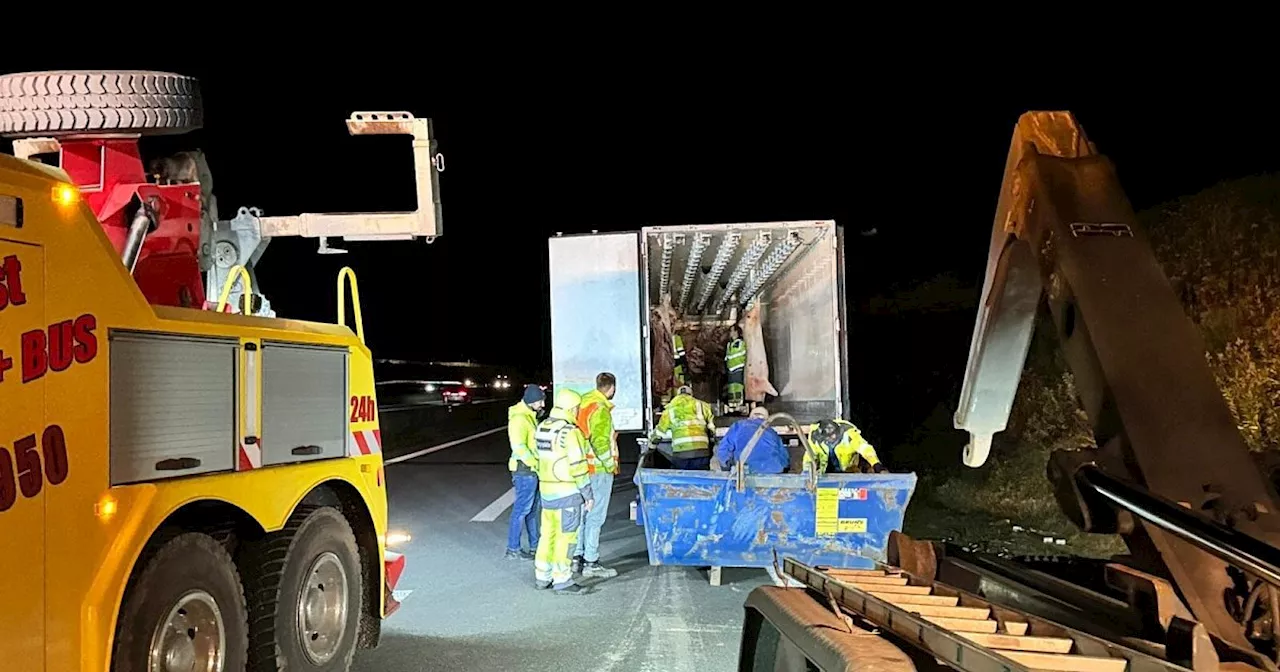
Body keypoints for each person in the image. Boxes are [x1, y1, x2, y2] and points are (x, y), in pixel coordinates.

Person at [533, 388, 596, 594]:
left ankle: (543, 575)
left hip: (547, 492)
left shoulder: (542, 427)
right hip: (567, 493)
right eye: (577, 408)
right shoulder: (570, 432)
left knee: (547, 535)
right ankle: (563, 579)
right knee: (567, 538)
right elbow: (578, 465)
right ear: (572, 408)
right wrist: (587, 494)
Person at [572, 372, 620, 578]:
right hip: (598, 469)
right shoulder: (600, 409)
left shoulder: (583, 404)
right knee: (595, 517)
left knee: (582, 514)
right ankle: (591, 562)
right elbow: (600, 442)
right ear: (611, 388)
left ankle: (577, 558)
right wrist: (610, 465)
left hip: (583, 468)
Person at [504, 385, 544, 560]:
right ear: (532, 401)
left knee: (532, 510)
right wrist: (536, 463)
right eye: (541, 401)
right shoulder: (519, 419)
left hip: (532, 470)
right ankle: (513, 549)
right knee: (521, 510)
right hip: (524, 470)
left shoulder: (529, 416)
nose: (543, 404)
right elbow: (519, 447)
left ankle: (536, 546)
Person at [650, 385, 716, 469]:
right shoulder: (703, 406)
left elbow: (659, 433)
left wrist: (651, 446)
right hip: (701, 451)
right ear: (691, 394)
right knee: (700, 478)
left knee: (682, 478)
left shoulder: (670, 409)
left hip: (681, 453)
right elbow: (712, 428)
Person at [714, 406, 789, 474]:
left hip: (745, 472)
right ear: (767, 420)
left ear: (750, 417)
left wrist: (727, 467)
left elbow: (723, 449)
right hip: (772, 473)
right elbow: (784, 459)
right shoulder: (772, 433)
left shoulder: (739, 426)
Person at [803, 418, 886, 474]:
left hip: (849, 472)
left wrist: (876, 464)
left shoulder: (849, 435)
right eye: (830, 435)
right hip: (825, 474)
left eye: (835, 433)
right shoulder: (815, 439)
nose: (834, 437)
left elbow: (865, 448)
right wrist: (806, 473)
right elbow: (809, 456)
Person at [724, 325, 746, 409]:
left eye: (732, 331)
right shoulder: (729, 344)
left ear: (736, 332)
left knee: (738, 386)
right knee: (731, 386)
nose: (730, 333)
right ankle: (732, 402)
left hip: (738, 367)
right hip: (730, 368)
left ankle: (739, 402)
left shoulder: (740, 343)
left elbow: (739, 353)